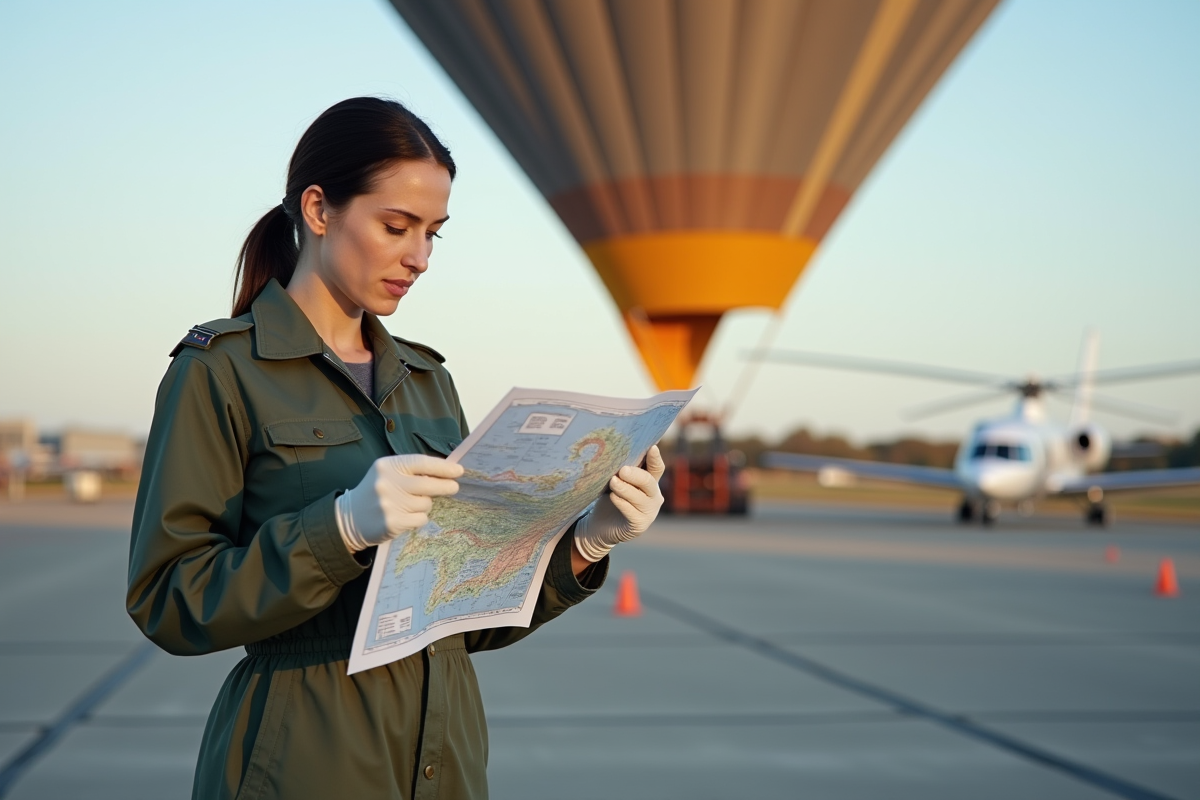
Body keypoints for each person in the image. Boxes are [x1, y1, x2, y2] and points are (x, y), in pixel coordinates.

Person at [126, 97, 666, 800]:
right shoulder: (221, 370)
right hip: (301, 763)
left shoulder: (427, 380)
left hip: (446, 761)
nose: (420, 258)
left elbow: (469, 617)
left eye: (435, 233)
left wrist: (585, 544)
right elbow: (170, 600)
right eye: (395, 226)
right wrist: (339, 527)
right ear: (319, 211)